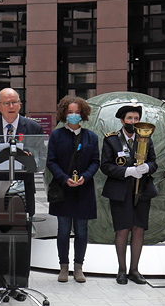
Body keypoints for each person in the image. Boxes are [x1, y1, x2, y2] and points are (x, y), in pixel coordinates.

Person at [0, 88, 44, 290]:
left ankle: (19, 286)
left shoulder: (32, 127)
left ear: (20, 104)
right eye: (6, 103)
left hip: (21, 191)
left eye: (14, 102)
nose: (11, 106)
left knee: (20, 242)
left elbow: (42, 156)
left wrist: (34, 160)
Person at [101, 104, 158, 284]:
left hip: (142, 191)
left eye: (136, 118)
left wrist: (147, 167)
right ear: (122, 120)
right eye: (130, 118)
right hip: (120, 192)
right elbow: (105, 166)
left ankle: (134, 270)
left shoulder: (145, 138)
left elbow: (154, 162)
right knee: (122, 230)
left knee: (138, 229)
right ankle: (121, 270)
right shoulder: (111, 140)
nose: (133, 122)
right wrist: (127, 171)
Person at [47, 95, 99, 284]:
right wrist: (64, 178)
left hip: (84, 190)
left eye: (77, 112)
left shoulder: (91, 137)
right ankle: (63, 266)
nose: (74, 115)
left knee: (82, 231)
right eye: (70, 112)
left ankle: (78, 267)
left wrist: (86, 176)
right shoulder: (56, 135)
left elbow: (96, 161)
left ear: (83, 114)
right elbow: (51, 161)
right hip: (63, 190)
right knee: (63, 230)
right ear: (64, 114)